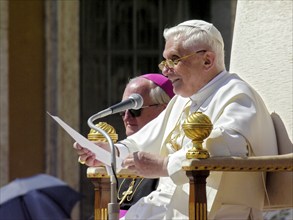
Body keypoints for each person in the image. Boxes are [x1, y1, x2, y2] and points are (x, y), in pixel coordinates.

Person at [75, 20, 278, 219]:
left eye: (174, 59)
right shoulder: (181, 102)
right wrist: (111, 152)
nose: (165, 70)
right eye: (164, 60)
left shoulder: (237, 94)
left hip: (214, 211)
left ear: (207, 60)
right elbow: (144, 140)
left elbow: (228, 144)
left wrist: (166, 165)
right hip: (163, 207)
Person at [117, 73, 174, 216]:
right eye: (122, 111)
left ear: (165, 111)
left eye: (135, 110)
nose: (126, 117)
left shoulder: (170, 157)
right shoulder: (123, 155)